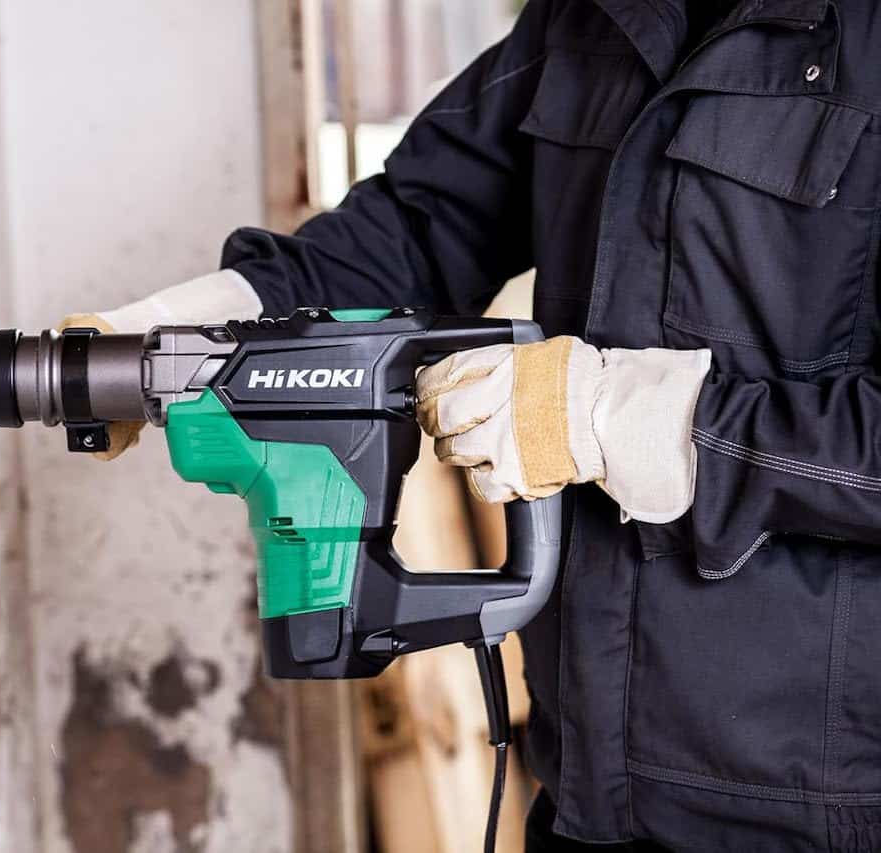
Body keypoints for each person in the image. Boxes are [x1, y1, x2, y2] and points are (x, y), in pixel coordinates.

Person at [66, 1, 881, 849]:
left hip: (823, 815)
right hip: (585, 799)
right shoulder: (594, 18)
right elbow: (417, 228)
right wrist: (178, 329)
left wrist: (633, 419)